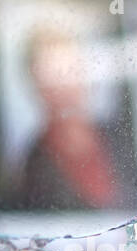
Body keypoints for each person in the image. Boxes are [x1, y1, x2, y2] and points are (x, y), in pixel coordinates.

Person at [17, 27, 119, 209]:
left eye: (72, 70)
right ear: (36, 84)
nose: (66, 85)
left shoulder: (120, 138)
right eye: (54, 75)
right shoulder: (35, 166)